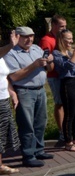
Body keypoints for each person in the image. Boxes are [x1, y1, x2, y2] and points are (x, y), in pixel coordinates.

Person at [4, 27, 54, 167]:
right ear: (17, 37)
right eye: (25, 37)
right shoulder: (11, 54)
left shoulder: (36, 49)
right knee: (27, 124)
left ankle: (39, 150)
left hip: (40, 90)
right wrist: (34, 65)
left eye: (31, 36)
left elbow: (49, 69)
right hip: (24, 91)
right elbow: (14, 76)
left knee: (40, 122)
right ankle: (28, 155)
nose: (29, 39)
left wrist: (49, 61)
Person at [52, 29, 75, 152]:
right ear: (61, 39)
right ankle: (68, 142)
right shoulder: (57, 54)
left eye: (71, 38)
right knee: (70, 114)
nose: (71, 41)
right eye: (68, 38)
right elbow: (67, 66)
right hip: (68, 83)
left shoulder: (71, 52)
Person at [0, 31, 21, 176]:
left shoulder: (2, 58)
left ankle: (0, 165)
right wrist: (11, 46)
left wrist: (12, 93)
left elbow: (5, 77)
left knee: (2, 135)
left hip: (3, 99)